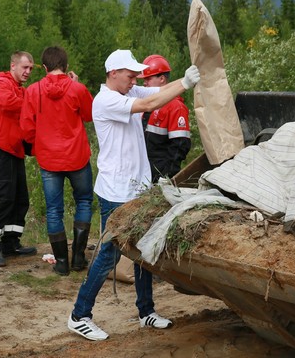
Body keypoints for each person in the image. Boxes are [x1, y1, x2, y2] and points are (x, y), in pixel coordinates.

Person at [67, 49, 200, 341]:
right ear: (114, 73)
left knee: (141, 251)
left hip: (134, 188)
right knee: (109, 255)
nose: (135, 80)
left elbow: (159, 90)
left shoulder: (126, 89)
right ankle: (79, 315)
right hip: (116, 191)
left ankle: (146, 311)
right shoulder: (106, 100)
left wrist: (184, 78)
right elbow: (151, 101)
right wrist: (186, 84)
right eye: (130, 75)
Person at [20, 46, 94, 275]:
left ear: (44, 67)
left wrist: (37, 146)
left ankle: (61, 263)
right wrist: (78, 84)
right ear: (66, 66)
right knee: (83, 201)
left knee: (54, 211)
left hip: (49, 158)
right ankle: (79, 258)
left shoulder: (32, 91)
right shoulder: (77, 89)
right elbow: (89, 115)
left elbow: (26, 128)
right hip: (77, 156)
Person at [0, 51, 37, 267]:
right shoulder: (0, 84)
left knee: (20, 198)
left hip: (14, 148)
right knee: (3, 197)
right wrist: (35, 97)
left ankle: (10, 242)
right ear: (13, 65)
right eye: (25, 67)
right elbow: (11, 104)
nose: (28, 72)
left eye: (31, 68)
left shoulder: (18, 89)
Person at [137, 54, 191, 183]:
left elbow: (180, 145)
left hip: (160, 173)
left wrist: (167, 175)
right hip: (145, 171)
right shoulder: (147, 103)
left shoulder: (176, 107)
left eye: (148, 78)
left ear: (161, 79)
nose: (144, 83)